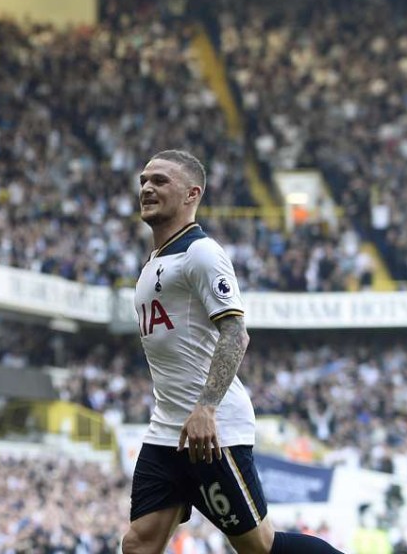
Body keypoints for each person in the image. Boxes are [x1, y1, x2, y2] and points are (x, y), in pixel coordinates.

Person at [122, 150, 343, 554]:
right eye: (143, 181)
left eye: (159, 181)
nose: (147, 188)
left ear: (192, 194)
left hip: (211, 428)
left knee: (259, 546)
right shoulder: (155, 260)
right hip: (166, 429)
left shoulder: (202, 253)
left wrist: (206, 407)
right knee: (138, 544)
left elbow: (236, 333)